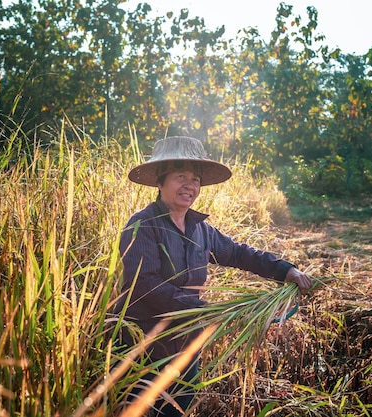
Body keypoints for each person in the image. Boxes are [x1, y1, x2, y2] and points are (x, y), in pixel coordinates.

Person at [116, 136, 313, 416]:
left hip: (187, 346)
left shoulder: (200, 229)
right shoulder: (142, 225)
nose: (190, 185)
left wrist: (285, 270)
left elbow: (238, 253)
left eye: (195, 179)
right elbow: (145, 285)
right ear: (160, 182)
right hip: (145, 348)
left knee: (178, 410)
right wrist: (203, 311)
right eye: (180, 176)